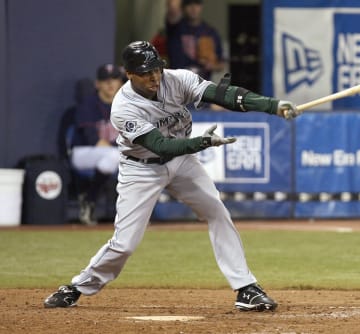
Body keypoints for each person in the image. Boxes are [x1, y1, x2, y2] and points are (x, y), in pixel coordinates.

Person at [43, 41, 298, 311]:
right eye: (145, 73)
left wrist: (272, 105)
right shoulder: (123, 107)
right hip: (141, 168)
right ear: (128, 74)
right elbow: (161, 147)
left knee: (217, 211)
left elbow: (222, 94)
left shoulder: (177, 79)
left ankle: (246, 288)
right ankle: (77, 286)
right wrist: (203, 143)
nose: (154, 77)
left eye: (157, 69)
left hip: (182, 161)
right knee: (125, 244)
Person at [70, 64, 124, 225]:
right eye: (105, 80)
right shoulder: (89, 104)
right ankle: (90, 199)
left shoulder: (127, 105)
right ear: (97, 84)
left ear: (120, 83)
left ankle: (89, 199)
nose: (110, 84)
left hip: (112, 156)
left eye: (114, 79)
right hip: (84, 153)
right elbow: (93, 140)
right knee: (115, 156)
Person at [165, 0, 224, 80]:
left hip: (202, 86)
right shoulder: (176, 27)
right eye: (189, 4)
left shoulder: (210, 32)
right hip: (177, 83)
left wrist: (211, 65)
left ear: (201, 6)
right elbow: (173, 8)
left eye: (197, 3)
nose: (193, 8)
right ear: (183, 7)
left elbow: (221, 64)